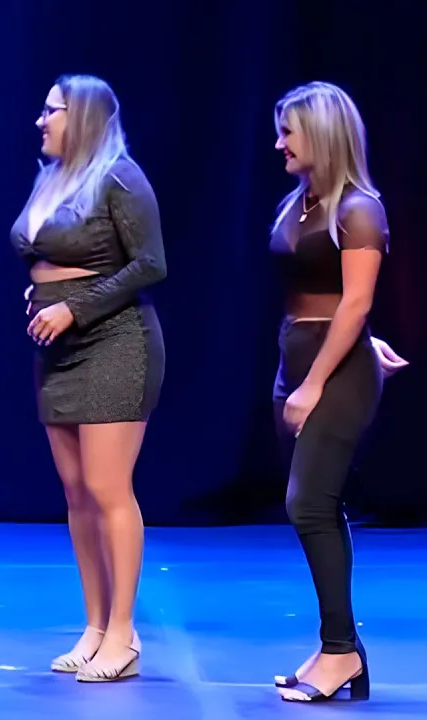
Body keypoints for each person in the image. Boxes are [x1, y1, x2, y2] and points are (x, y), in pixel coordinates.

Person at [9, 74, 166, 682]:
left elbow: (150, 263)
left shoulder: (120, 177)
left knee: (107, 487)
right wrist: (44, 293)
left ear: (84, 118)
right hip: (56, 350)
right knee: (77, 494)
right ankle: (96, 627)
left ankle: (123, 635)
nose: (41, 120)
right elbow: (47, 257)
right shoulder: (52, 179)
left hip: (115, 343)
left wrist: (75, 306)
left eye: (52, 110)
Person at [266, 81, 407, 703]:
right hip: (298, 357)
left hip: (335, 373)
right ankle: (340, 647)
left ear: (321, 135)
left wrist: (316, 382)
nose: (279, 144)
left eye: (288, 132)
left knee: (308, 504)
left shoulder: (359, 208)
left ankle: (340, 652)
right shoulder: (302, 203)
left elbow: (355, 302)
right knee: (317, 506)